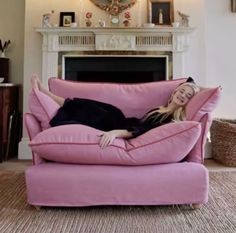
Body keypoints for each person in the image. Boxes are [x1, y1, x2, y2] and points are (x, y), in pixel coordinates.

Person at [31, 74, 200, 149]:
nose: (183, 96)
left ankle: (47, 94)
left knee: (88, 109)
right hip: (121, 118)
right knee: (89, 105)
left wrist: (115, 134)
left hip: (121, 126)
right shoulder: (162, 108)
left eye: (188, 96)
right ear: (175, 92)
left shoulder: (170, 119)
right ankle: (48, 93)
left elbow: (143, 130)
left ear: (188, 102)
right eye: (182, 91)